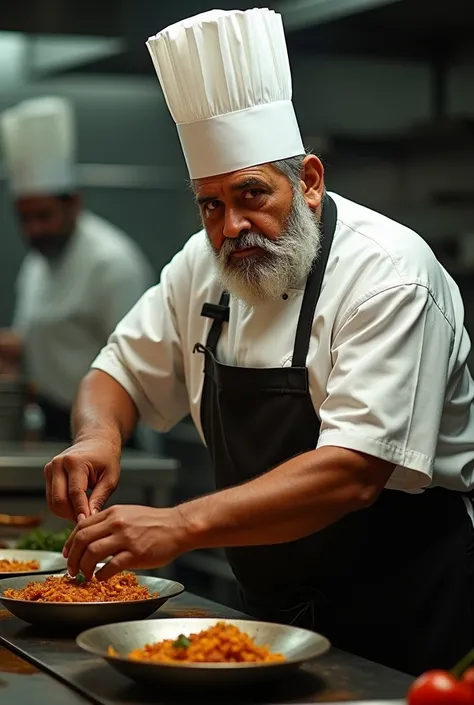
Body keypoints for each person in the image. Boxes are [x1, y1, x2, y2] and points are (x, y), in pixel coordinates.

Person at [46, 8, 474, 675]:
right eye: (210, 204)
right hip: (269, 617)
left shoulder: (387, 275)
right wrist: (96, 435)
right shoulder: (201, 261)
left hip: (403, 618)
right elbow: (117, 373)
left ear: (308, 180)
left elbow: (351, 473)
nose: (231, 226)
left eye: (251, 193)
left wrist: (179, 524)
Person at [0, 97, 154, 441]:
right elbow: (32, 338)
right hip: (53, 422)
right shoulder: (40, 260)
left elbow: (138, 366)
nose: (33, 230)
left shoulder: (112, 263)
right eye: (24, 219)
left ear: (73, 203)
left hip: (107, 429)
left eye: (43, 216)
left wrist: (104, 436)